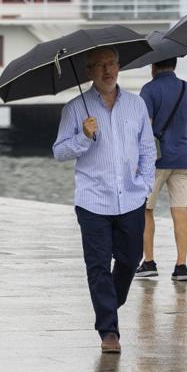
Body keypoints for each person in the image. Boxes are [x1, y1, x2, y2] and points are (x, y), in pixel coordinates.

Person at [52, 47, 154, 355]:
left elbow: (148, 149)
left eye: (111, 63)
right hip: (92, 199)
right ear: (89, 72)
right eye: (99, 66)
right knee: (97, 266)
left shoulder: (136, 105)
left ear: (119, 66)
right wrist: (83, 135)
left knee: (130, 259)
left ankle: (108, 300)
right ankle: (109, 330)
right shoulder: (74, 109)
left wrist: (146, 184)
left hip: (131, 197)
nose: (106, 70)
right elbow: (59, 152)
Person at [135, 57, 187, 282]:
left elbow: (143, 126)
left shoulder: (149, 90)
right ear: (175, 65)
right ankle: (181, 266)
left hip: (155, 160)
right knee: (180, 210)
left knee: (146, 209)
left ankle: (149, 262)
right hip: (185, 159)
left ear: (153, 66)